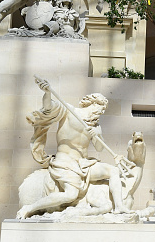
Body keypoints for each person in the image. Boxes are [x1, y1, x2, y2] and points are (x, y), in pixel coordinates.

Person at [16, 77, 131, 219]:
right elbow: (48, 107)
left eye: (103, 110)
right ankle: (30, 208)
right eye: (100, 107)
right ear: (92, 103)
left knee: (113, 171)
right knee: (71, 194)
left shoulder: (96, 126)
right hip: (65, 162)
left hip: (84, 164)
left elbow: (99, 148)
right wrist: (47, 93)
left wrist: (98, 136)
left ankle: (119, 207)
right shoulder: (69, 110)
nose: (100, 112)